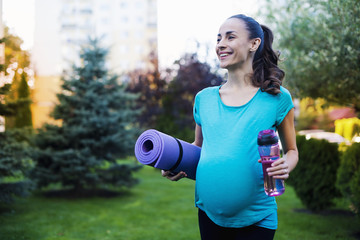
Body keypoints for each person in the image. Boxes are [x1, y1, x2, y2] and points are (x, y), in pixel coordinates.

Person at [162, 14, 298, 240]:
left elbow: (292, 151)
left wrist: (287, 165)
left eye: (230, 37)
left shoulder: (277, 98)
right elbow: (199, 147)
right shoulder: (203, 99)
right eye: (218, 39)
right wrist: (175, 162)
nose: (221, 44)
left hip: (257, 218)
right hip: (208, 214)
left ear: (254, 43)